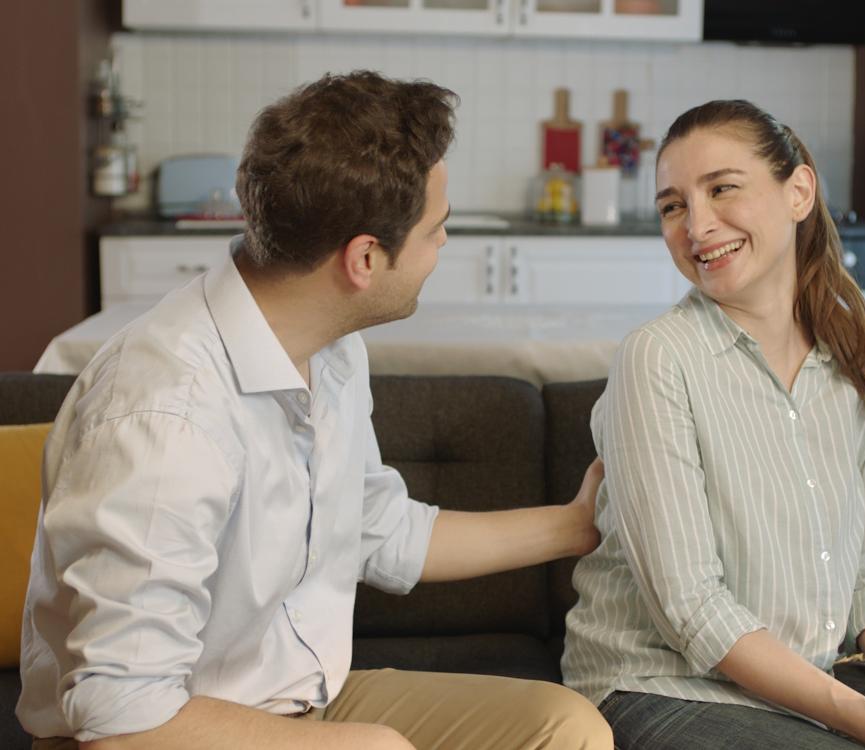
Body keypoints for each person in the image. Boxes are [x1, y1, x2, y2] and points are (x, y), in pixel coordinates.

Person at [17, 70, 613, 750]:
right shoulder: (165, 415)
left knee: (564, 729)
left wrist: (573, 528)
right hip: (172, 729)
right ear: (364, 258)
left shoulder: (330, 348)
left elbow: (378, 529)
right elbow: (121, 716)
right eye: (436, 230)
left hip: (299, 698)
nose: (443, 245)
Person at [561, 99, 865, 749]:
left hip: (820, 678)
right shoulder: (657, 357)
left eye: (722, 189)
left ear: (798, 192)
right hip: (664, 685)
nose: (697, 225)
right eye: (673, 206)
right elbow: (691, 608)